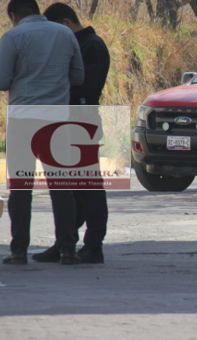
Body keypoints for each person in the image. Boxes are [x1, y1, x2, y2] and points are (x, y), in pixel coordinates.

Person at [0, 0, 84, 265]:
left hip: (24, 119)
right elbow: (78, 76)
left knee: (21, 188)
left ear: (14, 15)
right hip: (57, 120)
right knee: (61, 186)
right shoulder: (65, 34)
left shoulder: (12, 37)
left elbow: (2, 81)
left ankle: (19, 250)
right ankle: (68, 249)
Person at [31, 2, 111, 264]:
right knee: (70, 190)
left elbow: (86, 88)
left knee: (88, 188)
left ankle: (93, 246)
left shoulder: (91, 46)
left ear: (66, 24)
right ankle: (65, 242)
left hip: (81, 122)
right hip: (65, 122)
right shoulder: (78, 44)